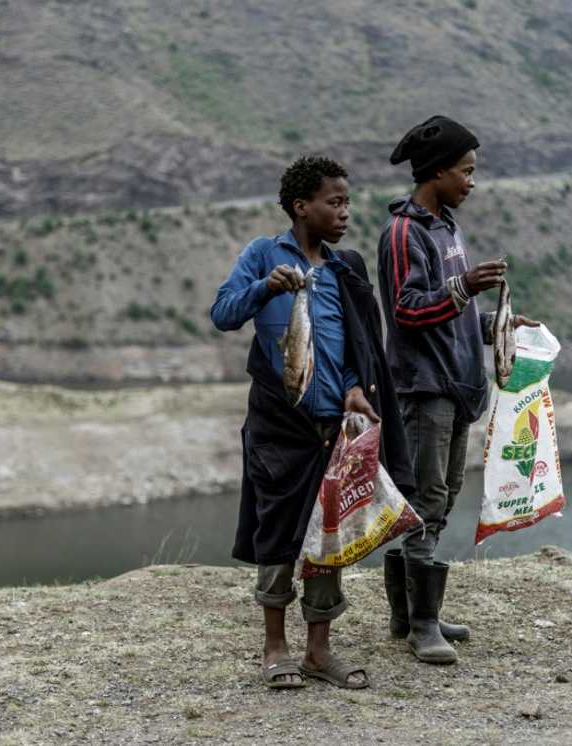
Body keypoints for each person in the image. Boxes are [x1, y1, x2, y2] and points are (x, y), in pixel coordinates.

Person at [211, 155, 414, 690]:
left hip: (333, 429)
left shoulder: (343, 269)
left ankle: (318, 652)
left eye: (347, 202)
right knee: (277, 534)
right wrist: (265, 289)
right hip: (279, 426)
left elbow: (354, 344)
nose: (345, 213)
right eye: (335, 202)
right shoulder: (262, 254)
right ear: (302, 207)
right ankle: (275, 648)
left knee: (328, 537)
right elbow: (223, 313)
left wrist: (352, 387)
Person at [376, 115, 539, 665]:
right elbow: (407, 310)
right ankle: (422, 624)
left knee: (441, 496)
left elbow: (449, 311)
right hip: (424, 388)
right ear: (437, 172)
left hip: (455, 382)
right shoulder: (404, 233)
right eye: (465, 171)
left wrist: (497, 320)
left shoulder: (445, 227)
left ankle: (409, 614)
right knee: (426, 499)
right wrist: (464, 286)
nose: (472, 181)